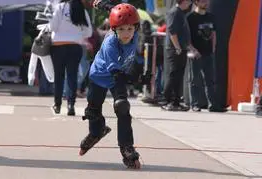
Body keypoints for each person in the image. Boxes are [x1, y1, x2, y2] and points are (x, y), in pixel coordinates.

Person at [79, 3, 148, 169]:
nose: (126, 34)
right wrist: (132, 78)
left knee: (123, 109)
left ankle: (127, 147)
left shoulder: (135, 35)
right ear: (114, 29)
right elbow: (115, 71)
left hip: (118, 75)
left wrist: (102, 4)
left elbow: (120, 11)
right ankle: (97, 132)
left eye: (130, 29)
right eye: (122, 30)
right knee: (93, 111)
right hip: (100, 75)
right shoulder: (110, 43)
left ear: (136, 28)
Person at [49, 0, 92, 116]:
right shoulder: (81, 9)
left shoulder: (60, 8)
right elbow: (89, 32)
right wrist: (77, 34)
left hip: (58, 46)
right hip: (75, 46)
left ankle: (57, 104)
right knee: (72, 76)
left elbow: (53, 27)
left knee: (59, 76)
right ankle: (71, 105)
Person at [187, 0, 226, 112]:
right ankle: (194, 104)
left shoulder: (211, 17)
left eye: (207, 1)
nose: (206, 3)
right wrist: (192, 50)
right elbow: (186, 36)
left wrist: (213, 48)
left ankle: (213, 105)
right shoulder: (190, 18)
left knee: (210, 80)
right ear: (196, 2)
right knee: (194, 80)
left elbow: (213, 33)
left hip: (208, 53)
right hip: (195, 54)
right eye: (203, 1)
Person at [161, 0, 197, 111]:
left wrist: (190, 47)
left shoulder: (180, 12)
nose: (190, 2)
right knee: (174, 75)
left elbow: (182, 34)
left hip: (181, 49)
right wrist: (177, 47)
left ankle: (176, 101)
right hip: (175, 49)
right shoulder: (174, 12)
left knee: (178, 75)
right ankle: (167, 100)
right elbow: (172, 31)